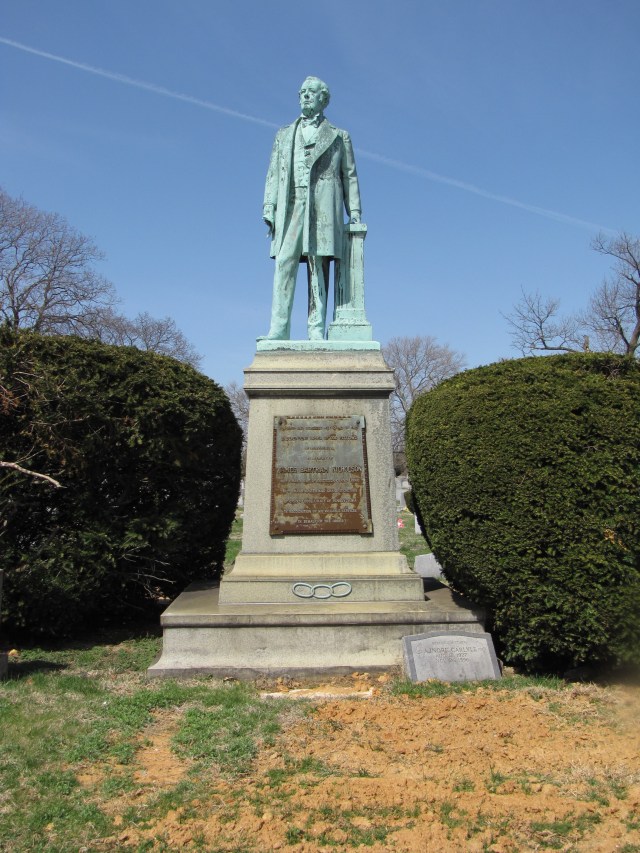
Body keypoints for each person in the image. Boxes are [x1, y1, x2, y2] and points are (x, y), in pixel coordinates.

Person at [260, 76, 361, 341]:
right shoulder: (283, 134)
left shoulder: (339, 136)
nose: (305, 96)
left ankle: (315, 329)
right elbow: (273, 173)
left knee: (318, 266)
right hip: (291, 204)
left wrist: (355, 211)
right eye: (302, 92)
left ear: (323, 99)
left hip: (324, 205)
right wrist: (269, 206)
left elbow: (349, 176)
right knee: (284, 263)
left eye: (311, 92)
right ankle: (279, 329)